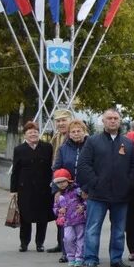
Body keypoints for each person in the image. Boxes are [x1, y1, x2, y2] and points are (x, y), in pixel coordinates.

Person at [77, 109, 134, 267]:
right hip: (98, 194)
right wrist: (95, 182)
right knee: (93, 228)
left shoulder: (127, 143)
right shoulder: (92, 141)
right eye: (109, 118)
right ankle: (91, 258)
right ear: (103, 121)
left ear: (120, 121)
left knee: (119, 229)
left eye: (116, 118)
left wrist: (128, 183)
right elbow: (84, 164)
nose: (113, 121)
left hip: (121, 194)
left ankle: (116, 258)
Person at [11, 122, 55, 252]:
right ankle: (24, 243)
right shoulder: (19, 149)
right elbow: (15, 171)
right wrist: (13, 190)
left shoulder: (47, 147)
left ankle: (39, 243)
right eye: (30, 132)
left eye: (35, 131)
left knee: (42, 217)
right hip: (25, 188)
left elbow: (50, 168)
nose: (33, 134)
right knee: (25, 216)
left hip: (43, 188)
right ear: (25, 135)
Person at [47, 109, 73, 255]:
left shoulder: (75, 136)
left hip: (70, 183)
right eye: (58, 121)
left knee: (73, 217)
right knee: (60, 214)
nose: (61, 123)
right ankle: (61, 243)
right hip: (58, 180)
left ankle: (69, 248)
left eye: (64, 120)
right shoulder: (56, 137)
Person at [51, 169, 87, 266]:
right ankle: (70, 256)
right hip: (67, 221)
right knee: (68, 238)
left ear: (68, 180)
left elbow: (86, 199)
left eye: (63, 181)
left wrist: (83, 207)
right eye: (58, 182)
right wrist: (59, 211)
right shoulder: (59, 195)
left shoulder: (77, 190)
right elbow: (54, 208)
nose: (61, 184)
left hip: (79, 219)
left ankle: (79, 257)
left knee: (80, 238)